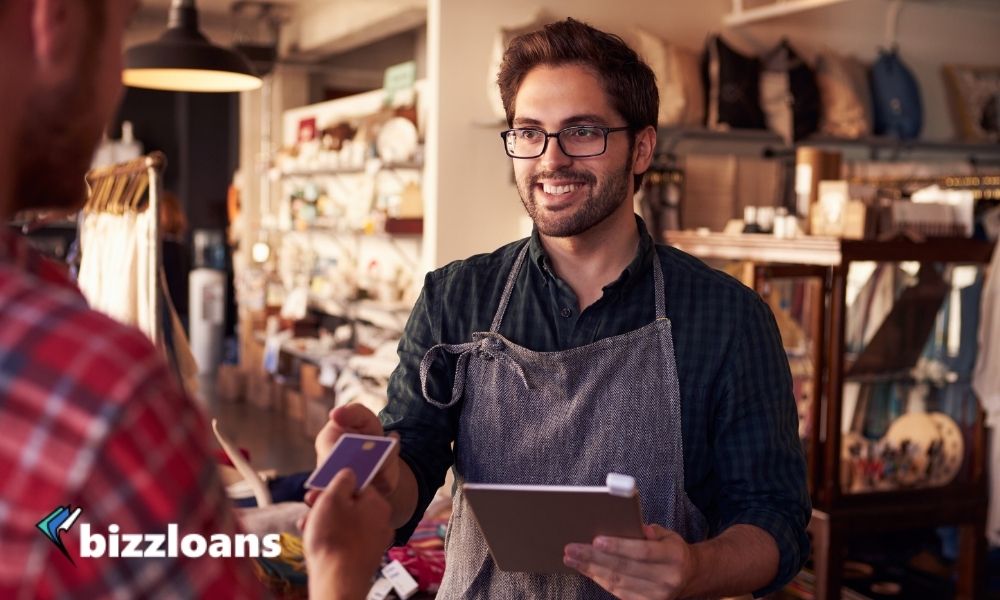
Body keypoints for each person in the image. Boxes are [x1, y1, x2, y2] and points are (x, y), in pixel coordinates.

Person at [315, 18, 811, 599]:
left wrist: (697, 569)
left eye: (582, 131)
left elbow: (775, 520)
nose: (551, 159)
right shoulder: (456, 297)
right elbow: (411, 481)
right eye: (529, 132)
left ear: (642, 148)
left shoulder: (728, 318)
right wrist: (371, 467)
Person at [0, 1, 389, 598]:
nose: (117, 85)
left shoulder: (49, 314)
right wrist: (340, 569)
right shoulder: (93, 385)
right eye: (123, 31)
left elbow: (70, 541)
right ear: (55, 22)